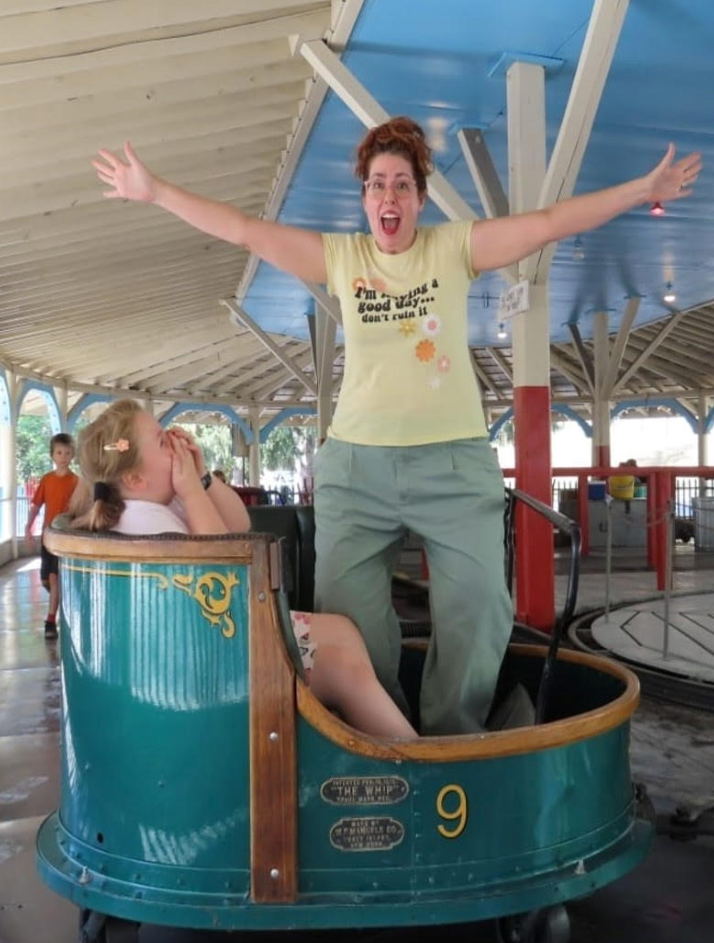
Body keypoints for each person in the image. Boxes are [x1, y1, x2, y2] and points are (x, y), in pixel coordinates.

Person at [92, 121, 701, 734]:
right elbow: (246, 230)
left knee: (481, 607)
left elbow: (547, 223)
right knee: (349, 616)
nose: (390, 197)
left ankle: (451, 734)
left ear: (419, 198)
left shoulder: (453, 249)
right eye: (378, 184)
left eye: (403, 186)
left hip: (454, 463)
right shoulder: (341, 257)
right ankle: (383, 733)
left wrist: (639, 188)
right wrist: (156, 192)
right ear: (363, 197)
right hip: (357, 468)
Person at [69, 399, 416, 740]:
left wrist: (201, 479)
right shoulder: (147, 523)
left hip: (217, 642)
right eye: (163, 442)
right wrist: (191, 491)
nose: (175, 443)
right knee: (343, 664)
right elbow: (226, 570)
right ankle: (409, 756)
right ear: (135, 477)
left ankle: (369, 733)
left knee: (342, 631)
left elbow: (239, 523)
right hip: (214, 664)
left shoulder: (155, 502)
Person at [25, 432, 78, 639]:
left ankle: (50, 620)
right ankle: (62, 601)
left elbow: (79, 510)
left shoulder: (76, 482)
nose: (63, 456)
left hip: (63, 537)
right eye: (59, 452)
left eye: (67, 452)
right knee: (46, 579)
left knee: (54, 579)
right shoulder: (47, 480)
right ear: (52, 455)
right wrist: (28, 525)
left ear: (72, 455)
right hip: (47, 536)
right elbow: (37, 505)